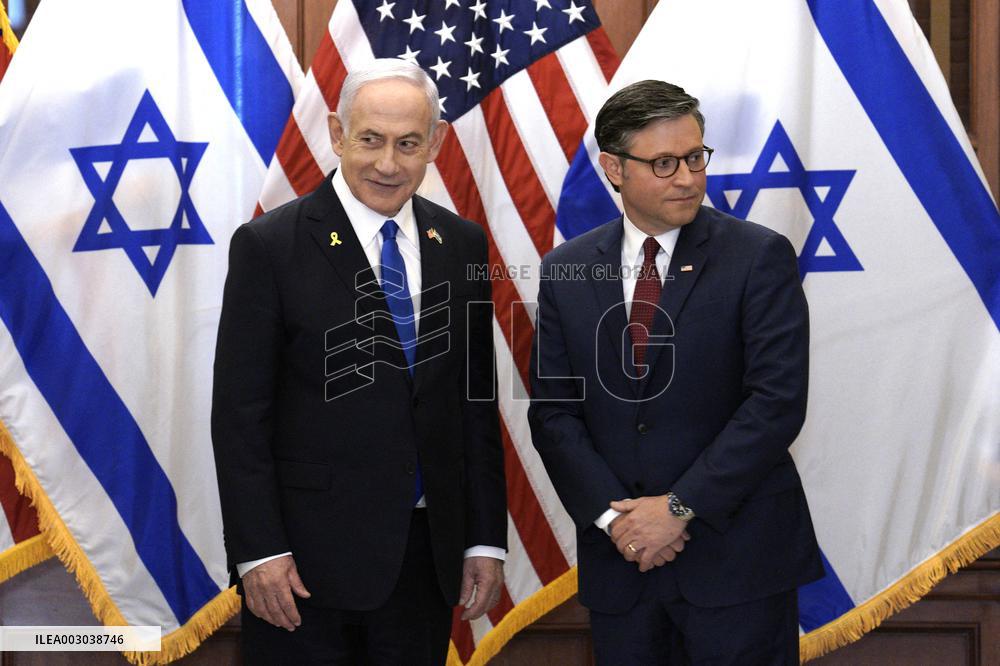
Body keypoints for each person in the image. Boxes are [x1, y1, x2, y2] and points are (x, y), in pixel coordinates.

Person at [212, 58, 507, 665]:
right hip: (302, 566)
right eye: (370, 139)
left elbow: (471, 404)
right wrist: (259, 551)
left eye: (408, 143)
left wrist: (485, 539)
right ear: (337, 133)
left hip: (425, 558)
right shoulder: (269, 245)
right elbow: (240, 416)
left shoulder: (462, 243)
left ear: (436, 143)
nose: (388, 163)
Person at [528, 80, 824, 664]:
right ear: (614, 167)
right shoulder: (565, 269)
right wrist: (619, 521)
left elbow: (775, 403)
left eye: (694, 157)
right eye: (663, 163)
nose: (687, 177)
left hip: (737, 564)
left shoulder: (758, 256)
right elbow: (553, 412)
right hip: (624, 567)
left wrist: (678, 508)